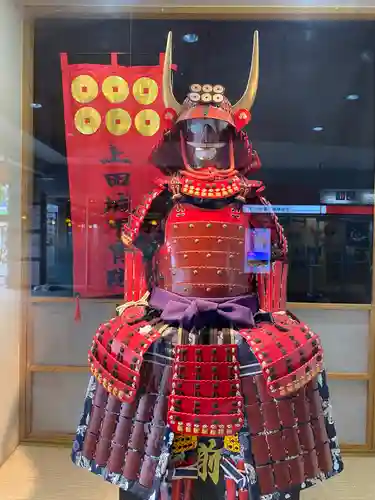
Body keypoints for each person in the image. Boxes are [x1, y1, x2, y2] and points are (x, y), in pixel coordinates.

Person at [71, 30, 343, 500]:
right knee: (128, 351)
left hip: (241, 313)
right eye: (194, 133)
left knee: (290, 350)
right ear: (180, 137)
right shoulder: (163, 199)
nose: (204, 142)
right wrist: (135, 303)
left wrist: (272, 311)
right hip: (168, 314)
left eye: (214, 134)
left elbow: (263, 258)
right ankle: (146, 477)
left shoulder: (248, 200)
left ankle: (261, 478)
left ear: (232, 139)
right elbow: (139, 247)